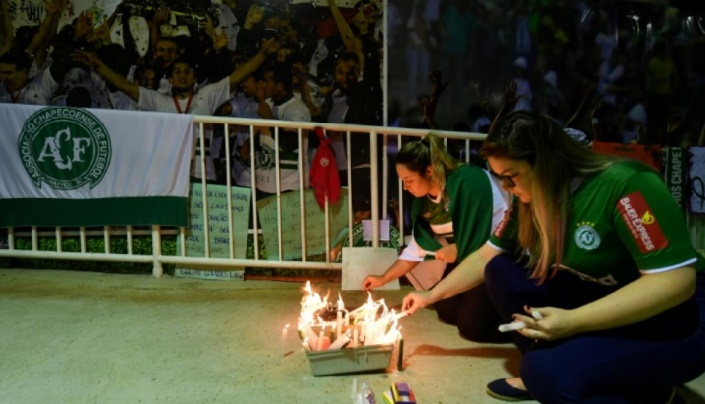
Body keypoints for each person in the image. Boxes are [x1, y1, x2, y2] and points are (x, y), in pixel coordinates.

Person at [401, 111, 705, 402]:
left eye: (511, 176)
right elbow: (485, 257)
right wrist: (429, 295)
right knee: (501, 270)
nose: (506, 187)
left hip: (676, 318)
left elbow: (675, 282)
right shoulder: (530, 198)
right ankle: (578, 366)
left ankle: (647, 391)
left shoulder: (627, 184)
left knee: (545, 375)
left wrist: (573, 321)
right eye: (500, 178)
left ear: (546, 162)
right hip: (602, 295)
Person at [363, 134, 510, 342]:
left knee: (471, 327)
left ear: (429, 171)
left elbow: (487, 233)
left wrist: (458, 248)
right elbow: (416, 249)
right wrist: (382, 278)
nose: (405, 187)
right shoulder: (425, 201)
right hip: (466, 255)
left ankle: (519, 327)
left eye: (409, 180)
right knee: (446, 310)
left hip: (495, 257)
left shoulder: (469, 182)